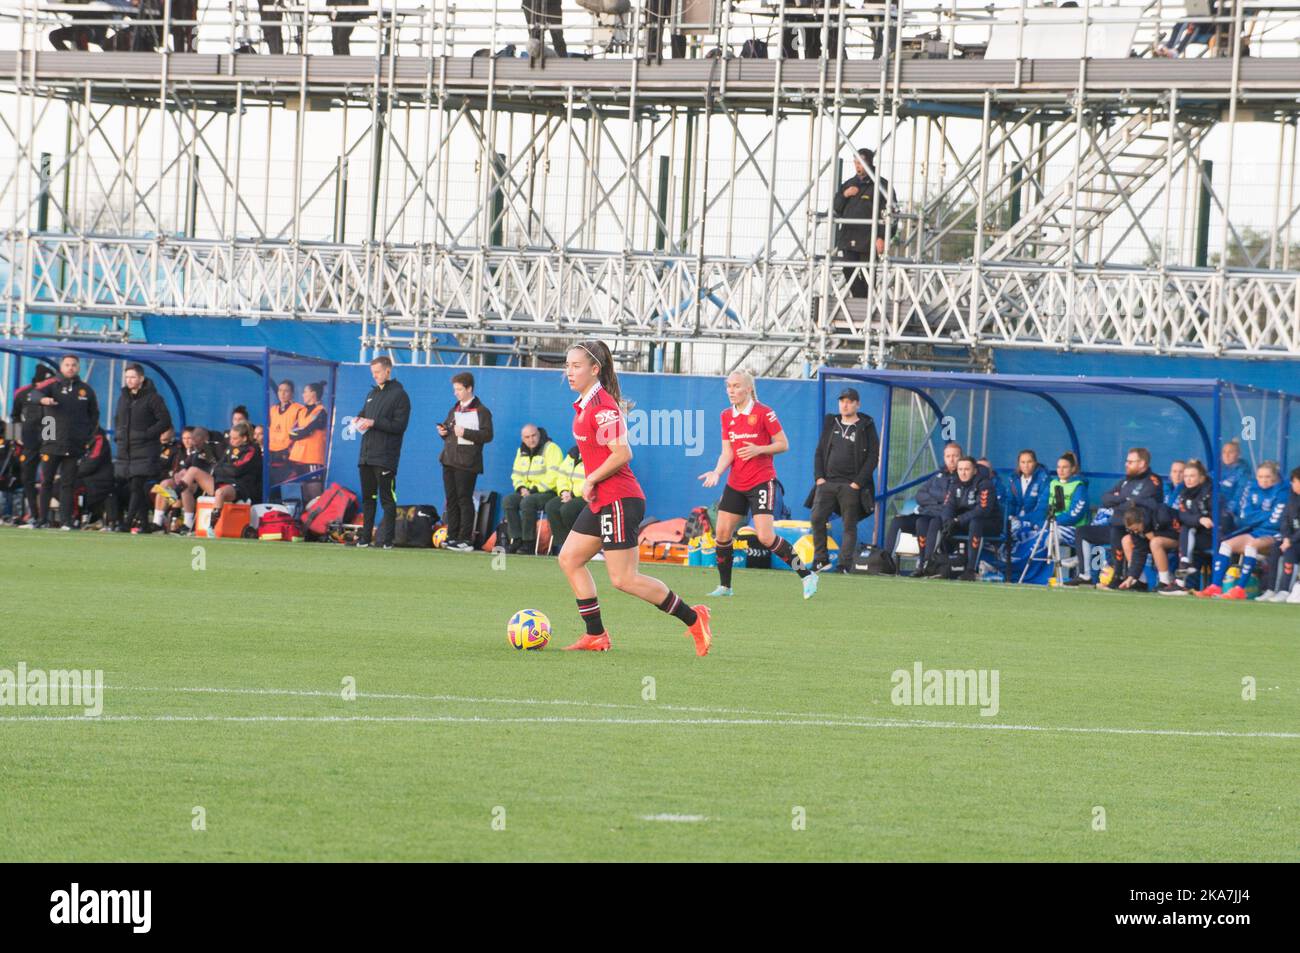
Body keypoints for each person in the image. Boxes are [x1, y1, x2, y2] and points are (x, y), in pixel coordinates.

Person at [556, 340, 712, 655]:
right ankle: (595, 635)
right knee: (569, 558)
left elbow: (622, 453)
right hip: (604, 499)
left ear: (594, 369)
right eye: (568, 365)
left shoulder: (601, 406)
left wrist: (591, 478)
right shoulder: (587, 403)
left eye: (576, 366)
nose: (569, 372)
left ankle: (694, 617)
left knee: (624, 579)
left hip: (619, 499)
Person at [699, 370, 818, 599]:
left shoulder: (765, 413)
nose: (731, 391)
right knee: (722, 533)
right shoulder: (726, 415)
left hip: (761, 482)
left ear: (748, 389)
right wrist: (716, 472)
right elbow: (728, 452)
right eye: (728, 386)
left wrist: (759, 449)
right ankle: (725, 587)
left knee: (765, 537)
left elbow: (783, 444)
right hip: (736, 483)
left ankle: (807, 575)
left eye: (736, 386)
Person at [1065, 448, 1163, 587]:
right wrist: (1126, 500)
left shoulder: (1152, 481)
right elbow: (1105, 498)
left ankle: (1118, 576)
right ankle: (1084, 575)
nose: (1126, 464)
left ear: (1142, 463)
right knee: (1082, 532)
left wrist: (1121, 501)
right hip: (1116, 523)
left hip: (1138, 530)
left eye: (1130, 462)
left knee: (1117, 527)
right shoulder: (1125, 482)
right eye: (1126, 461)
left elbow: (1142, 506)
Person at [806, 386, 879, 573]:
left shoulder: (866, 425)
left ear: (857, 404)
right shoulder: (832, 422)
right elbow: (820, 451)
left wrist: (857, 483)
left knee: (849, 524)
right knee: (816, 518)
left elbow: (873, 456)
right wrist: (819, 478)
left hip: (850, 485)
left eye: (849, 401)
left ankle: (844, 565)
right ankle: (820, 560)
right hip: (827, 483)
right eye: (842, 401)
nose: (845, 405)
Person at [1197, 461, 1287, 600]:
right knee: (1226, 545)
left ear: (1274, 477)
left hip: (1274, 534)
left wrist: (1257, 515)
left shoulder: (1282, 492)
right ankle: (1215, 586)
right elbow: (1244, 517)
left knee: (1252, 545)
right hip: (1256, 531)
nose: (1263, 480)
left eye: (1267, 477)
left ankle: (1240, 589)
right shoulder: (1252, 488)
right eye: (1261, 476)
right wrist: (1265, 514)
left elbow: (1275, 522)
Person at [32, 355, 100, 530]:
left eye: (74, 365)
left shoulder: (86, 390)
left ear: (78, 368)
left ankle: (65, 521)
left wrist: (86, 437)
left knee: (68, 484)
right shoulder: (50, 385)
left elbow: (94, 416)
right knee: (44, 481)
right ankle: (41, 519)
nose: (70, 368)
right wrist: (42, 400)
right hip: (49, 441)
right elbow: (32, 396)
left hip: (74, 444)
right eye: (67, 365)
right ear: (61, 367)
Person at [877, 441, 961, 575]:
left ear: (960, 458)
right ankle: (887, 562)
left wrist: (934, 497)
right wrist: (938, 499)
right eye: (948, 456)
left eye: (955, 456)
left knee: (924, 522)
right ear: (944, 458)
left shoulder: (962, 477)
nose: (951, 459)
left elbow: (951, 500)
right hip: (926, 513)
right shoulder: (936, 477)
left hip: (942, 518)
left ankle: (925, 563)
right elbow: (920, 495)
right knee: (897, 521)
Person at [353, 356, 411, 549]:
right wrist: (358, 419)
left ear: (388, 370)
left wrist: (374, 422)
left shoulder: (400, 395)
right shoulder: (372, 394)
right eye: (373, 373)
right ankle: (365, 538)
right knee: (368, 499)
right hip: (366, 456)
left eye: (377, 372)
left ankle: (387, 541)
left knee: (387, 499)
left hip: (386, 457)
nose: (375, 376)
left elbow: (399, 426)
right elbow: (364, 414)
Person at [436, 372, 493, 553]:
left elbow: (487, 435)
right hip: (449, 460)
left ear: (469, 388)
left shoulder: (481, 411)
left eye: (459, 389)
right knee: (451, 500)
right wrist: (444, 432)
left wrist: (466, 432)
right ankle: (452, 536)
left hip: (467, 463)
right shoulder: (455, 409)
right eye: (455, 389)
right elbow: (449, 429)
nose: (456, 393)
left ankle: (465, 539)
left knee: (464, 499)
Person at [113, 363, 173, 533]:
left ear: (141, 378)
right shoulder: (123, 397)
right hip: (127, 450)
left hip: (145, 449)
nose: (129, 380)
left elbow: (165, 421)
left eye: (132, 377)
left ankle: (127, 522)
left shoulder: (153, 398)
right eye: (127, 377)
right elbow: (118, 418)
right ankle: (145, 525)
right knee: (134, 487)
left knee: (136, 486)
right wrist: (119, 435)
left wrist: (147, 434)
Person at [832, 148, 897, 299]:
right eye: (855, 163)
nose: (858, 167)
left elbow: (891, 214)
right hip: (849, 237)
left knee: (868, 273)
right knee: (848, 270)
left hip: (869, 239)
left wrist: (882, 236)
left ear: (869, 162)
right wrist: (844, 195)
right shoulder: (849, 184)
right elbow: (836, 207)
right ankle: (861, 302)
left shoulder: (882, 186)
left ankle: (866, 305)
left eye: (860, 163)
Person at [175, 422, 262, 533]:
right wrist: (226, 468)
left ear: (244, 438)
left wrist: (224, 469)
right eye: (231, 437)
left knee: (220, 492)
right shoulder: (230, 448)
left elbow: (237, 471)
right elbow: (218, 466)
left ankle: (211, 527)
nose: (231, 441)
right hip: (222, 481)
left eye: (235, 438)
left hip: (238, 486)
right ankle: (176, 498)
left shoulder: (252, 450)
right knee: (193, 470)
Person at [926, 456, 1001, 581]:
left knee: (975, 523)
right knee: (937, 521)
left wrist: (957, 520)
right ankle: (930, 564)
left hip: (988, 523)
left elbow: (982, 510)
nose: (963, 472)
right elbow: (948, 506)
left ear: (975, 471)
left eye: (967, 469)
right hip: (964, 521)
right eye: (960, 469)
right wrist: (948, 520)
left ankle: (970, 570)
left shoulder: (985, 484)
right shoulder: (954, 484)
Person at [1159, 458, 1219, 595]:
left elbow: (1215, 519)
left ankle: (1183, 572)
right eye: (1186, 476)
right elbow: (1183, 516)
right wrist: (1199, 519)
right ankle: (1182, 576)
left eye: (1192, 476)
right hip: (1194, 536)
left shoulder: (1211, 492)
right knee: (1186, 528)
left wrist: (1202, 519)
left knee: (1187, 530)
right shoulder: (1184, 493)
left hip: (1213, 536)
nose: (1188, 479)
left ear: (1202, 478)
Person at [503, 424, 563, 555]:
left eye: (534, 435)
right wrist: (521, 488)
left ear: (539, 434)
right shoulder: (521, 451)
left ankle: (528, 543)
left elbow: (554, 476)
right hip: (527, 492)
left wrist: (534, 490)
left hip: (548, 492)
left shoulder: (551, 448)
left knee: (527, 502)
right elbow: (516, 473)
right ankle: (517, 539)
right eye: (527, 437)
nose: (531, 440)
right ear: (522, 438)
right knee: (509, 501)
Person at [12, 365, 56, 525]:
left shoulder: (55, 391)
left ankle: (44, 517)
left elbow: (53, 419)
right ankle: (33, 514)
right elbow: (14, 415)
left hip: (48, 443)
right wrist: (16, 438)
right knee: (27, 478)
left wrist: (50, 439)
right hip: (29, 442)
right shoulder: (22, 393)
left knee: (47, 479)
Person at [153, 426, 215, 530]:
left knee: (185, 486)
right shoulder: (182, 451)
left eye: (190, 438)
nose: (187, 441)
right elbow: (183, 467)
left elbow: (213, 466)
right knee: (164, 484)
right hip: (182, 484)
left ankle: (188, 522)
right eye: (184, 438)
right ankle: (157, 522)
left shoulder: (207, 449)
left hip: (199, 485)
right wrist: (178, 474)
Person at [1257, 467, 1300, 603]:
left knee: (1290, 550)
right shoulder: (1292, 498)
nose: (1293, 485)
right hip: (1292, 539)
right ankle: (1271, 589)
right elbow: (1285, 520)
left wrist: (1291, 541)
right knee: (1276, 547)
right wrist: (1286, 538)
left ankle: (1285, 590)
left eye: (1294, 482)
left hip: (1296, 542)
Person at [1116, 503, 1178, 592]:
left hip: (1177, 541)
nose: (1135, 532)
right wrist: (1131, 576)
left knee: (1155, 542)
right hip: (1154, 543)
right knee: (1127, 540)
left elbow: (1178, 533)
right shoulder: (1137, 530)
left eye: (1136, 529)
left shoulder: (1161, 514)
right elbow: (1139, 551)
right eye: (1132, 530)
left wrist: (1156, 535)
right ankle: (1140, 581)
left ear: (1142, 520)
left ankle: (1165, 582)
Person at [545, 445, 587, 555]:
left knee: (568, 509)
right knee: (552, 506)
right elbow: (562, 475)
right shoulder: (572, 453)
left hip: (588, 496)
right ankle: (562, 545)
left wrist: (572, 494)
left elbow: (592, 479)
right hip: (569, 494)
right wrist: (564, 491)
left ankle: (580, 545)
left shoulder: (597, 453)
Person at [75, 426, 117, 530]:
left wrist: (73, 472)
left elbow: (92, 463)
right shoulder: (79, 437)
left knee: (69, 487)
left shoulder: (98, 438)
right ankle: (75, 518)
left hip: (99, 480)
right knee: (59, 486)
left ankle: (75, 519)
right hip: (88, 479)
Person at [287, 381, 329, 475]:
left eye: (305, 392)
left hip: (313, 457)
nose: (302, 394)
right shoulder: (302, 411)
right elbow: (291, 433)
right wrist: (302, 432)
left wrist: (302, 432)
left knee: (313, 488)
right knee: (303, 487)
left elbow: (307, 431)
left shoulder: (321, 411)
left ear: (313, 394)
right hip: (299, 457)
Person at [268, 379, 304, 470]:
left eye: (286, 391)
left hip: (287, 452)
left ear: (292, 393)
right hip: (271, 450)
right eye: (280, 390)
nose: (282, 393)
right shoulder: (273, 409)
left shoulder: (299, 409)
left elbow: (301, 432)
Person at [1217, 438, 1252, 521]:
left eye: (1230, 452)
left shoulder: (1243, 472)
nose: (1226, 455)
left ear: (1238, 454)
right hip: (1213, 509)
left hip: (1229, 514)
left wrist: (1229, 511)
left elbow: (1240, 494)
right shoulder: (1217, 469)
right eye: (1224, 452)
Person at [522, 0, 565, 65]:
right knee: (535, 39)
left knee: (557, 37)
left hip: (552, 4)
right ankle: (535, 63)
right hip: (531, 4)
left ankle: (563, 63)